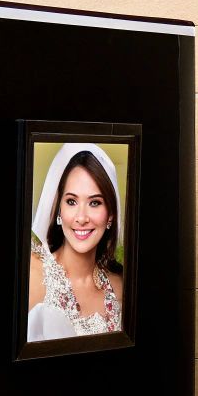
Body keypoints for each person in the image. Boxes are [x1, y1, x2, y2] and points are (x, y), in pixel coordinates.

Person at [25, 145, 124, 340]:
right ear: (59, 209)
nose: (81, 218)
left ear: (110, 214)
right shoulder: (30, 274)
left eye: (95, 202)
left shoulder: (119, 284)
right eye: (71, 201)